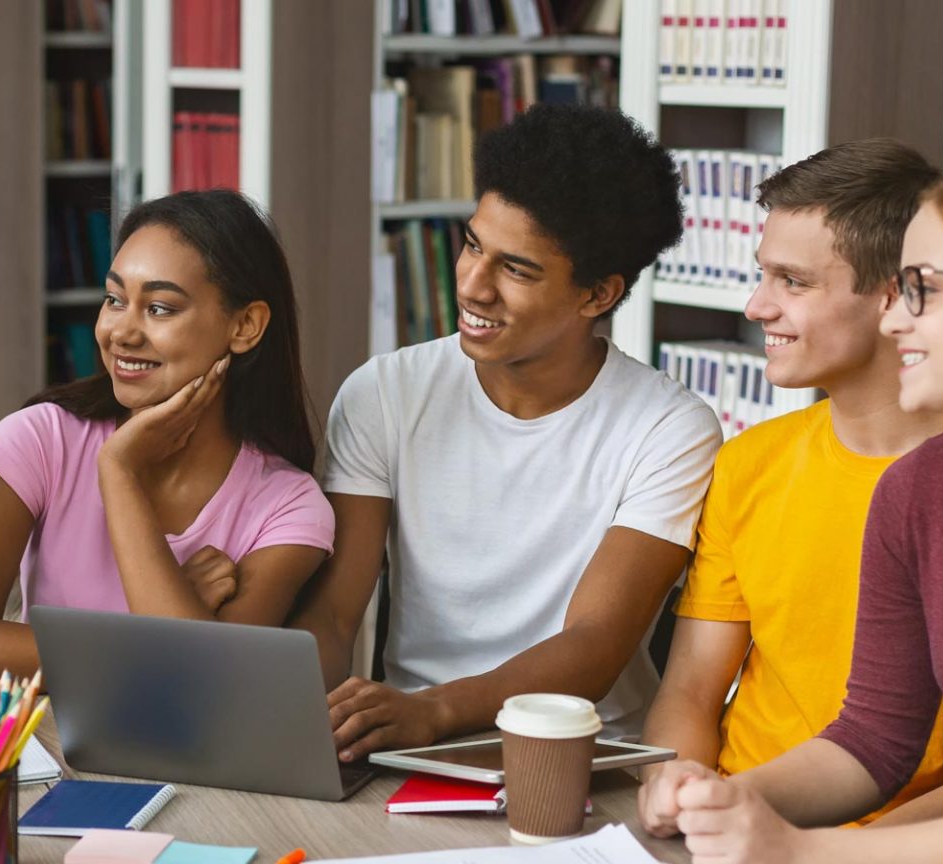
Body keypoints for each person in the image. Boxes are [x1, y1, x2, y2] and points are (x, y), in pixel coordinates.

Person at [654, 159, 943, 862]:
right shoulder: (922, 491)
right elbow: (874, 739)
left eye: (921, 290)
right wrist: (731, 800)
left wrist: (800, 853)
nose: (894, 316)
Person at [291, 103, 722, 762]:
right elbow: (336, 612)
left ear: (596, 296)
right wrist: (306, 723)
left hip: (588, 757)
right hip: (407, 748)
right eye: (472, 244)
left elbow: (596, 641)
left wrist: (433, 710)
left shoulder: (669, 428)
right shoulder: (385, 392)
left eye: (515, 269)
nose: (472, 284)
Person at [638, 140, 943, 833]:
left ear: (893, 296)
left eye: (793, 282)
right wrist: (674, 783)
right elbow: (692, 692)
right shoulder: (747, 464)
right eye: (763, 276)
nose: (756, 306)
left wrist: (840, 855)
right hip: (738, 823)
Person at [0, 190, 333, 677]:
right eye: (115, 299)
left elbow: (205, 687)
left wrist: (119, 472)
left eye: (159, 308)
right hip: (46, 749)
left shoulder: (288, 506)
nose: (121, 332)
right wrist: (147, 638)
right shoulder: (39, 440)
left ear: (245, 324)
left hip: (178, 754)